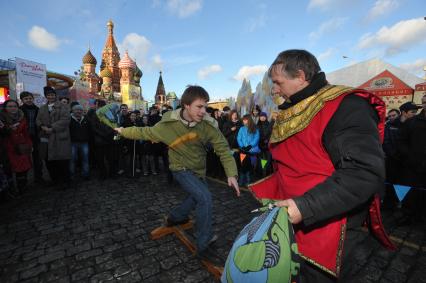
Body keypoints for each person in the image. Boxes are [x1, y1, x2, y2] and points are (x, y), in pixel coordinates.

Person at [250, 49, 394, 282]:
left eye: (278, 83)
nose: (275, 90)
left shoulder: (346, 105)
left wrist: (304, 207)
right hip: (294, 216)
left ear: (300, 75)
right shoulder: (294, 106)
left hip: (329, 223)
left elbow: (363, 172)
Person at [112, 85, 240, 261]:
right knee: (205, 198)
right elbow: (144, 131)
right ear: (186, 105)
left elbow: (223, 150)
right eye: (199, 106)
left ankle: (175, 217)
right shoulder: (168, 125)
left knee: (196, 197)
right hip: (179, 168)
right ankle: (204, 244)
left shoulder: (208, 126)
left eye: (205, 106)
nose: (204, 111)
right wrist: (123, 131)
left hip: (198, 169)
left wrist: (231, 174)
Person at [397, 95, 426, 223]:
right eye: (425, 102)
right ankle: (409, 215)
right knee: (411, 193)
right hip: (413, 166)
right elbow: (401, 142)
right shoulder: (412, 121)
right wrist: (410, 157)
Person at [36, 86, 71, 189]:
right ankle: (55, 180)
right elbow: (37, 120)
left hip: (59, 137)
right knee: (49, 161)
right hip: (46, 138)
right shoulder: (42, 108)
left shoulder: (63, 106)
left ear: (55, 95)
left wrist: (52, 128)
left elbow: (65, 120)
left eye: (52, 95)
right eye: (48, 95)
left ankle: (65, 181)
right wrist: (42, 126)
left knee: (62, 161)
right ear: (46, 96)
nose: (50, 97)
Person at [0, 100, 33, 194]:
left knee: (23, 167)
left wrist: (29, 144)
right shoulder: (2, 118)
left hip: (21, 146)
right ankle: (10, 188)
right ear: (5, 108)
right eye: (9, 106)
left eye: (14, 106)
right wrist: (8, 129)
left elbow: (26, 133)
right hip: (7, 147)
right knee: (8, 168)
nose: (12, 108)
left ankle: (22, 186)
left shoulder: (22, 117)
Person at [19, 91, 44, 184]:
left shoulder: (38, 109)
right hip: (24, 138)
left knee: (38, 158)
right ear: (22, 100)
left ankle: (39, 177)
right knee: (24, 158)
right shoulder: (19, 110)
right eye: (26, 99)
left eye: (30, 98)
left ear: (32, 99)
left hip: (36, 136)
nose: (28, 100)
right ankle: (23, 180)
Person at [237, 114, 260, 186]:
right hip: (243, 149)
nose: (243, 121)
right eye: (243, 120)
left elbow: (256, 138)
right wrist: (242, 146)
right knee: (243, 162)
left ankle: (245, 178)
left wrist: (250, 146)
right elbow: (239, 138)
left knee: (246, 162)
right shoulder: (241, 129)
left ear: (249, 120)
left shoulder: (254, 128)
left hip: (252, 150)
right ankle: (246, 179)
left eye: (245, 119)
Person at [69, 104, 91, 181]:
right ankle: (71, 175)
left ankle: (86, 174)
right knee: (72, 159)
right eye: (77, 110)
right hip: (73, 142)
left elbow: (89, 130)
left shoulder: (86, 119)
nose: (78, 111)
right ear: (73, 110)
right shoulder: (69, 119)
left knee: (85, 159)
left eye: (80, 110)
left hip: (84, 142)